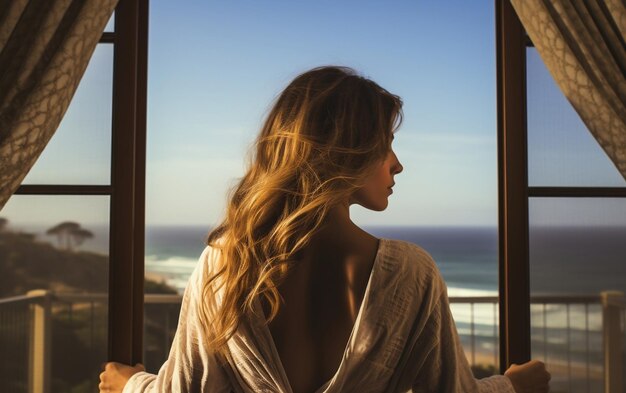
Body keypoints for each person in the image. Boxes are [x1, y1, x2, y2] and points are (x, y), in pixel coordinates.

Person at [99, 66, 551, 392]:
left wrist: (130, 384)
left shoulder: (225, 262)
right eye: (386, 147)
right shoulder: (410, 273)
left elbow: (182, 389)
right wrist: (512, 387)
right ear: (347, 154)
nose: (397, 164)